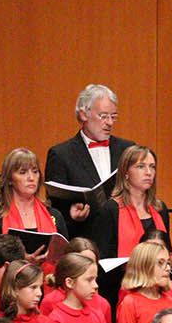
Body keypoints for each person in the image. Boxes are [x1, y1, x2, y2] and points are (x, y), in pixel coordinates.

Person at [44, 84, 132, 255]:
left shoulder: (127, 150)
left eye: (114, 117)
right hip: (85, 246)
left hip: (124, 244)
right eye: (103, 116)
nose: (110, 123)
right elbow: (54, 207)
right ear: (83, 114)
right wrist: (71, 215)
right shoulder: (61, 154)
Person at [0, 148, 68, 258]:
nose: (31, 178)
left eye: (35, 171)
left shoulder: (55, 215)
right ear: (9, 179)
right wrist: (21, 261)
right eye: (23, 172)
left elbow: (65, 257)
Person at [103, 143, 170, 259]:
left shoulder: (160, 208)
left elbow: (168, 251)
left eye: (152, 167)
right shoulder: (111, 209)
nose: (148, 172)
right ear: (126, 173)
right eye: (141, 166)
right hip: (122, 276)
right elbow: (103, 257)